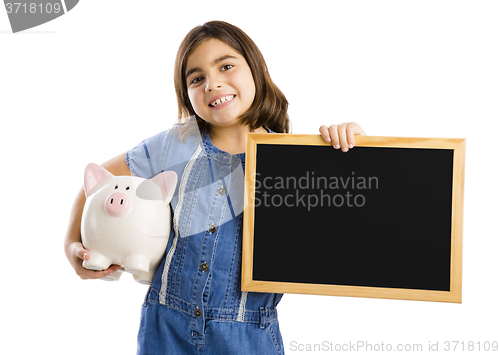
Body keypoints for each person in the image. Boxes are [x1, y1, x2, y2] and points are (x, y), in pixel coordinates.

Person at [64, 20, 366, 354]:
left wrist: (356, 150)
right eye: (197, 78)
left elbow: (347, 225)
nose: (213, 83)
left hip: (247, 337)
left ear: (255, 69)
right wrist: (71, 244)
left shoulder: (293, 159)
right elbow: (97, 182)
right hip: (164, 330)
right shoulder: (172, 145)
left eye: (226, 66)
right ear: (186, 93)